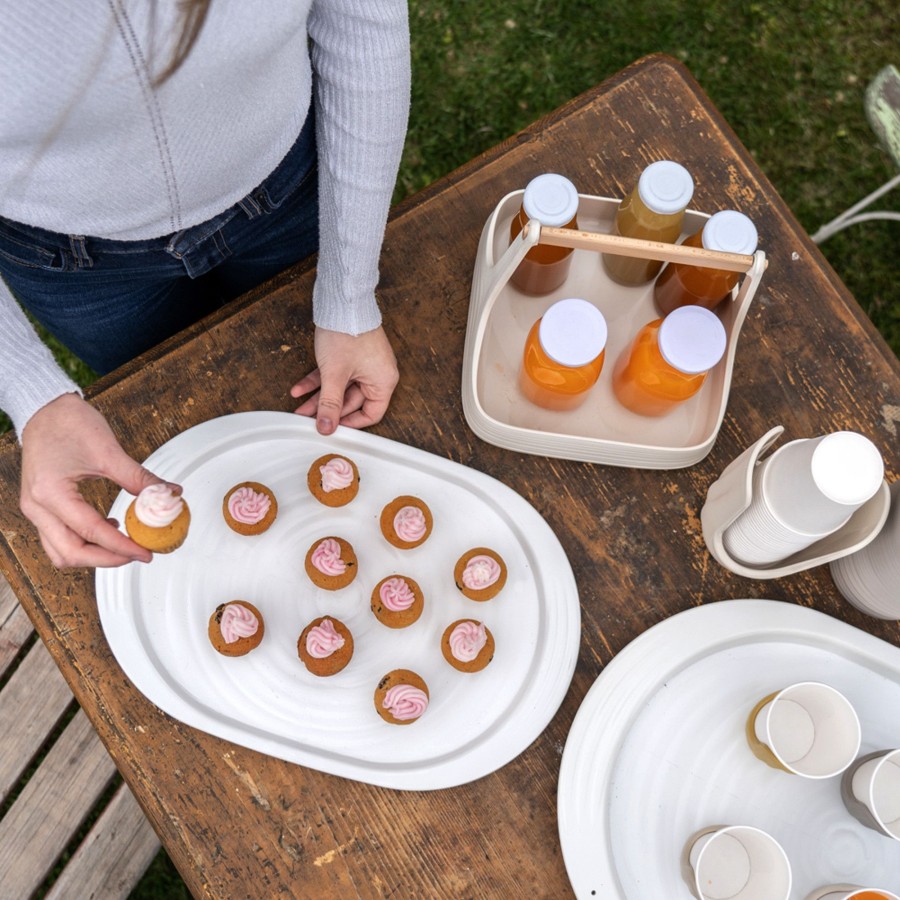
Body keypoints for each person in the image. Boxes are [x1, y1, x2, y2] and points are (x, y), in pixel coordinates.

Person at [0, 0, 410, 569]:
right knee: (181, 425)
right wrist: (32, 395)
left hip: (286, 196)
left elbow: (364, 26)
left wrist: (347, 293)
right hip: (76, 265)